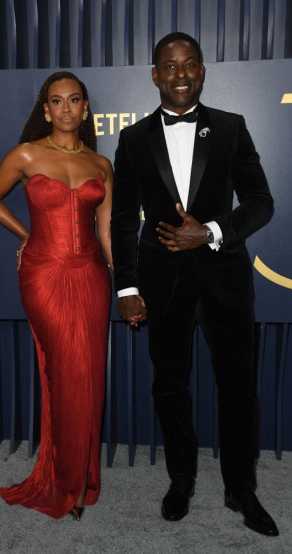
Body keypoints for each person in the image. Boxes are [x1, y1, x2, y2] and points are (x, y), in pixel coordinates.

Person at [111, 32, 279, 536]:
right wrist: (126, 288)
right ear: (155, 73)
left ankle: (240, 489)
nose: (180, 74)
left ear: (202, 72)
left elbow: (260, 200)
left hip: (224, 276)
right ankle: (180, 478)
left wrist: (209, 231)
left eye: (190, 65)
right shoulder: (133, 138)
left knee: (238, 387)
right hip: (160, 282)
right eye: (170, 65)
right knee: (169, 384)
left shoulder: (231, 128)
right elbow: (121, 219)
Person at [0, 71, 113, 521]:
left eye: (74, 100)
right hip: (44, 275)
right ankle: (64, 481)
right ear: (45, 110)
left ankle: (79, 478)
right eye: (56, 102)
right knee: (65, 371)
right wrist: (25, 236)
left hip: (92, 276)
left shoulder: (101, 165)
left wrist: (128, 281)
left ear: (86, 107)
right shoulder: (27, 154)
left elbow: (107, 231)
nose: (66, 109)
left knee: (90, 375)